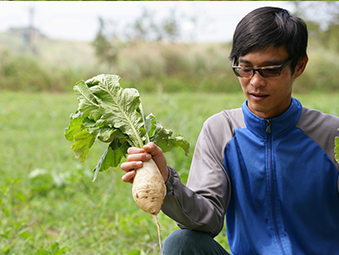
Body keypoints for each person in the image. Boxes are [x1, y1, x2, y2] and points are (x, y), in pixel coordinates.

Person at [121, 6, 339, 255]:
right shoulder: (220, 131)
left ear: (299, 66)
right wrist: (165, 180)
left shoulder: (332, 135)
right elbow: (207, 219)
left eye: (270, 70)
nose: (255, 82)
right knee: (181, 244)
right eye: (245, 68)